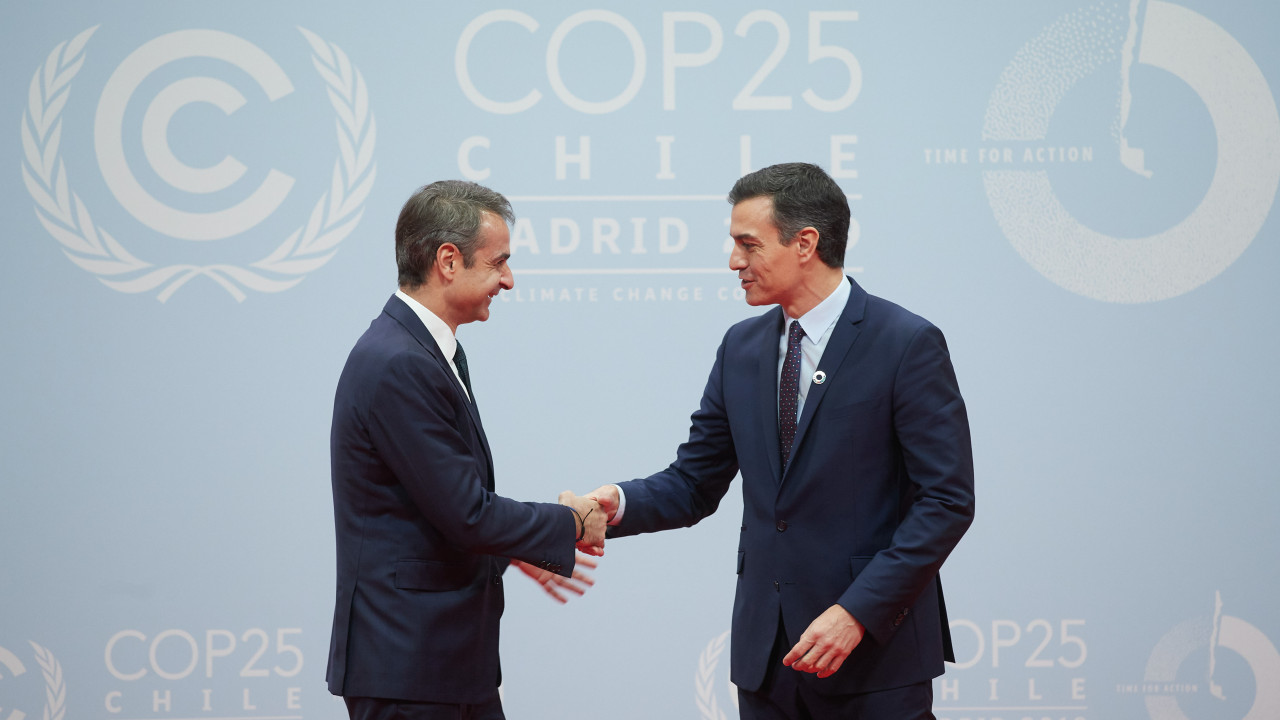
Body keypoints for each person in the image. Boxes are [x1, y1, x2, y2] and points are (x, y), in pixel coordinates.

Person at [584, 163, 975, 719]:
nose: (733, 261)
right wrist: (617, 503)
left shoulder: (906, 343)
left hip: (873, 661)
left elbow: (946, 501)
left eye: (748, 244)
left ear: (805, 243)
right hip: (768, 662)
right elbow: (694, 482)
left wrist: (857, 612)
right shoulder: (740, 348)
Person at [326, 180, 605, 720]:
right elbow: (466, 513)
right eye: (499, 262)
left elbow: (433, 505)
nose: (509, 279)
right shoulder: (399, 362)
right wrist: (571, 521)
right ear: (448, 261)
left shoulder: (424, 351)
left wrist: (512, 548)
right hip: (410, 669)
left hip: (443, 666)